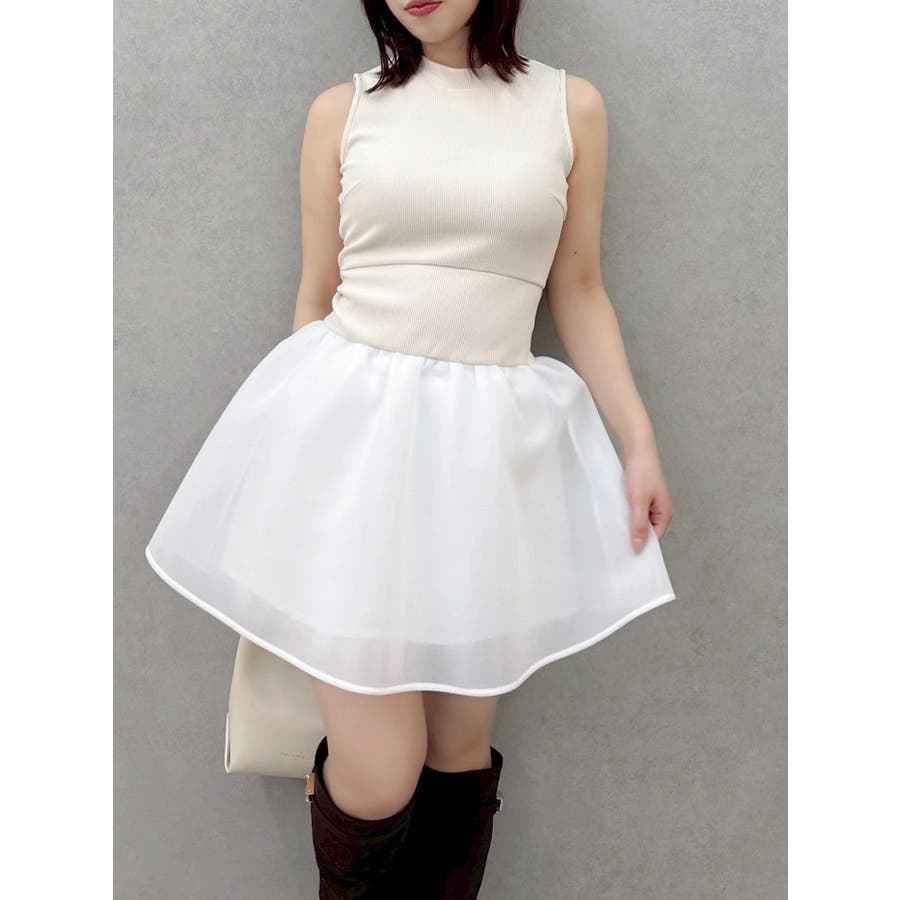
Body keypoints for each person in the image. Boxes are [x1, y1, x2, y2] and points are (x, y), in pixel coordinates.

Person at [145, 1, 678, 896]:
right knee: (383, 768)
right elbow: (316, 297)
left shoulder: (570, 108)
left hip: (485, 461)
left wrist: (638, 441)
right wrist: (302, 468)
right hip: (357, 457)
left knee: (459, 753)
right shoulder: (342, 110)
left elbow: (579, 287)